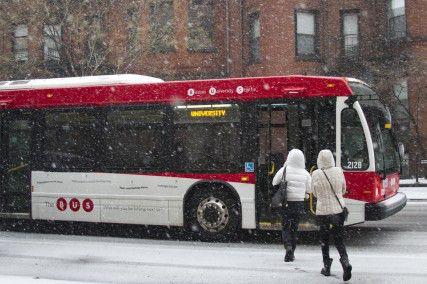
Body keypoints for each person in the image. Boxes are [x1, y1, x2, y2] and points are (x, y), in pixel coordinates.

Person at [310, 149, 352, 281]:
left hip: (323, 213)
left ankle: (327, 268)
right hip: (337, 211)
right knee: (339, 240)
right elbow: (343, 189)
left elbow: (314, 192)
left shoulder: (316, 173)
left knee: (324, 241)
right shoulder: (338, 171)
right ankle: (345, 263)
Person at [272, 149, 311, 262]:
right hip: (298, 204)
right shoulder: (305, 173)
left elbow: (274, 182)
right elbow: (310, 189)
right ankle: (292, 252)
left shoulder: (284, 169)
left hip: (286, 203)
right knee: (294, 228)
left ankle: (287, 246)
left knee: (285, 227)